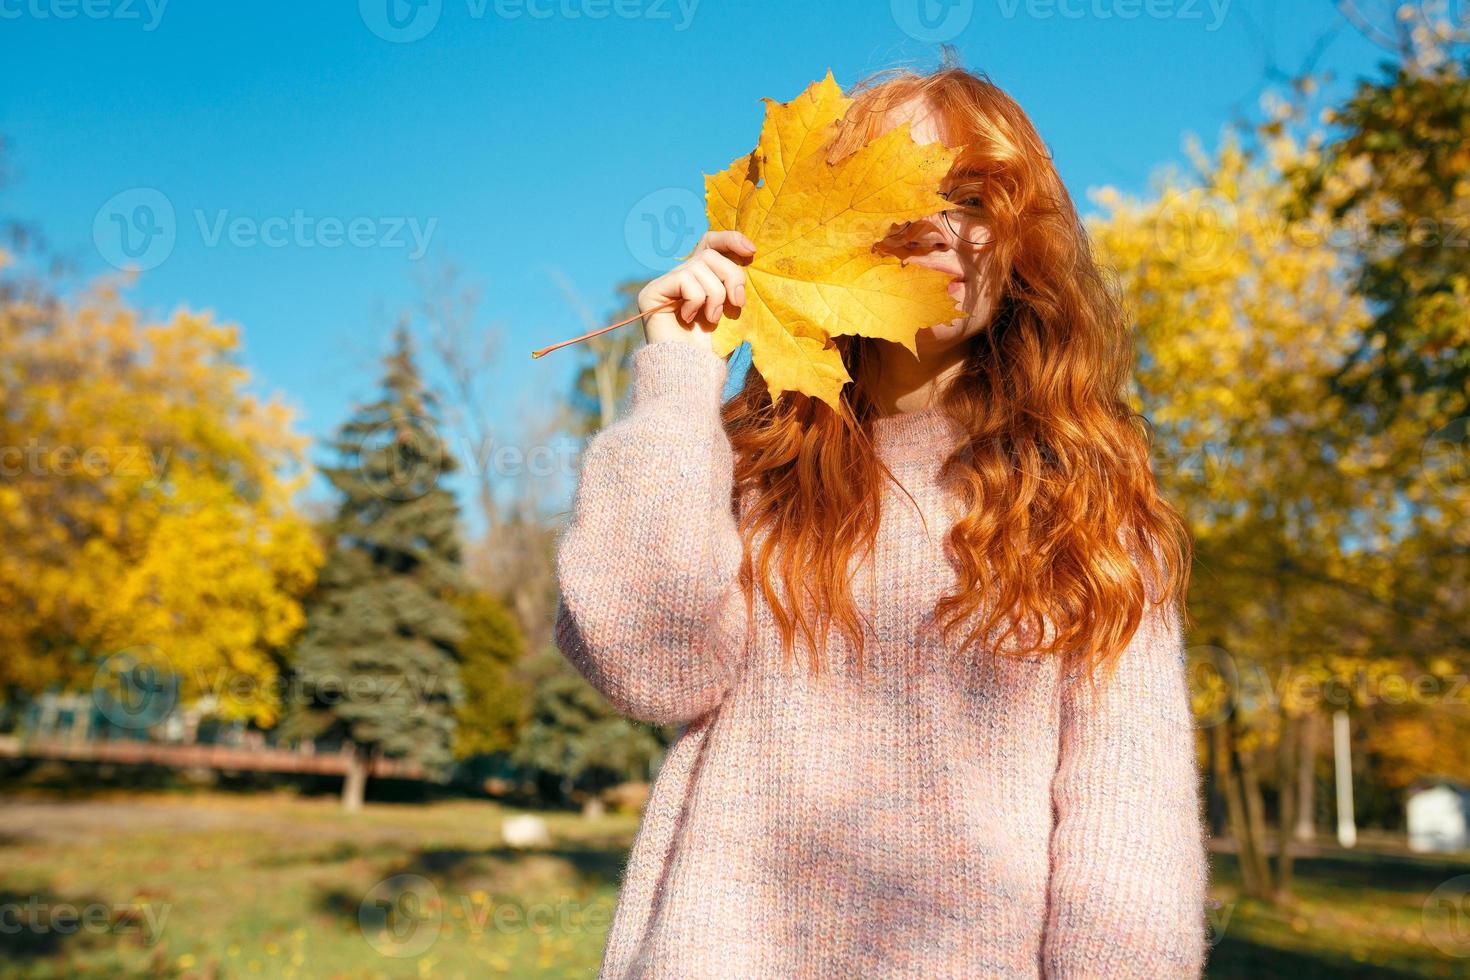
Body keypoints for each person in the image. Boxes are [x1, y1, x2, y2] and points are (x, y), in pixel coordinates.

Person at [554, 57, 1210, 979]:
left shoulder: (1089, 510)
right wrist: (681, 379)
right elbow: (650, 668)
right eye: (900, 189)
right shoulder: (742, 463)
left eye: (977, 199)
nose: (941, 224)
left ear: (1024, 249)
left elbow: (1128, 842)